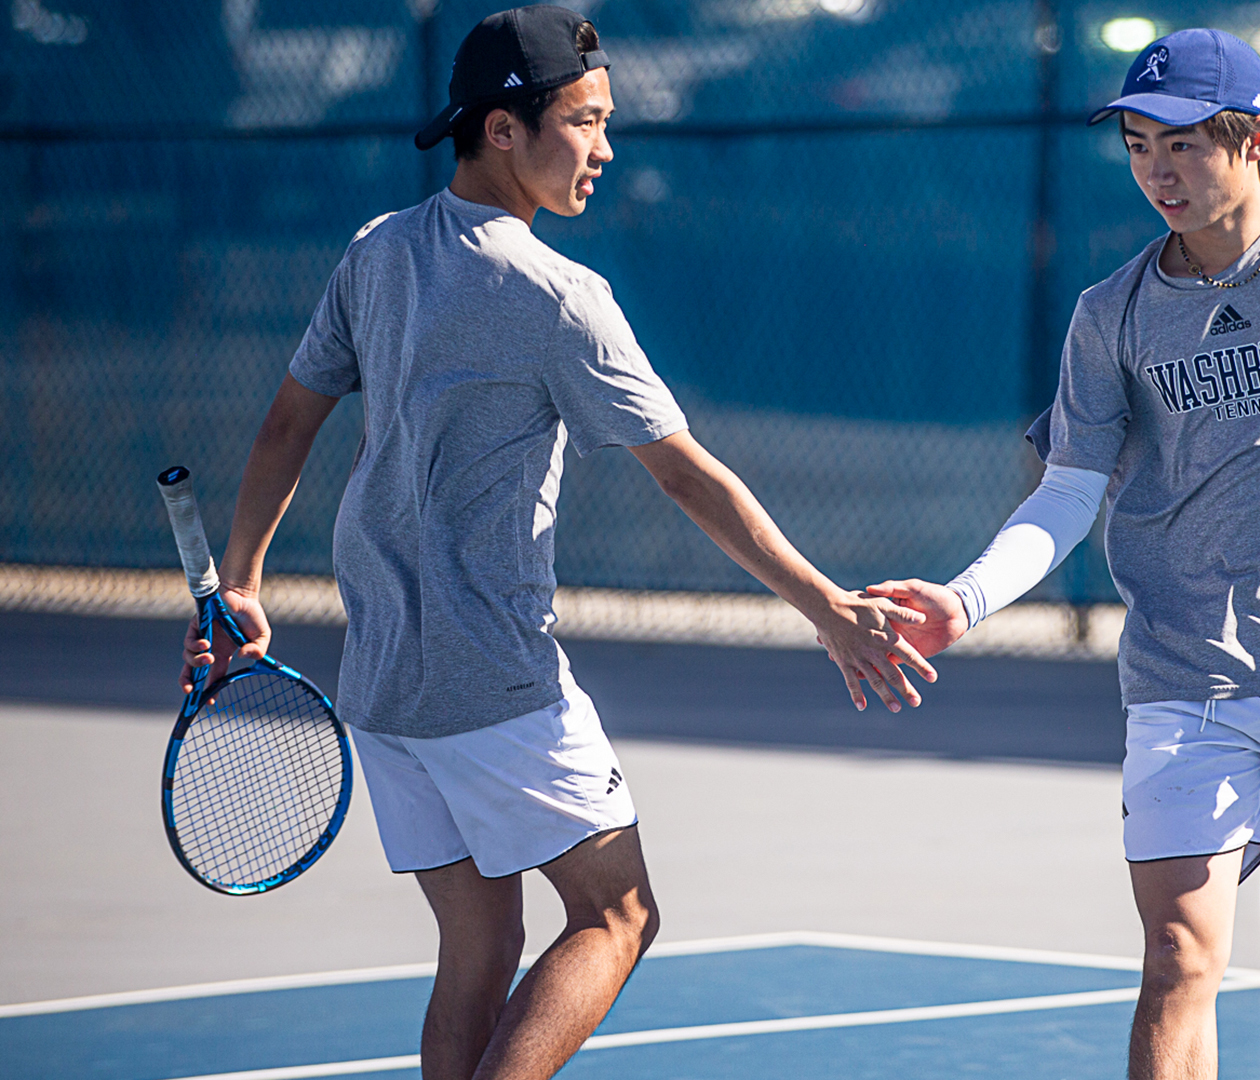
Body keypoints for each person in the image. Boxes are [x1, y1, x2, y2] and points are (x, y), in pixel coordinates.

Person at [177, 7, 935, 1079]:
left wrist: (246, 580)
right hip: (497, 679)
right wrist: (828, 607)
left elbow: (285, 425)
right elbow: (685, 474)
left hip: (383, 687)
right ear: (502, 129)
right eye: (584, 122)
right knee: (618, 915)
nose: (605, 148)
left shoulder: (375, 252)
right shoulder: (562, 298)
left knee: (478, 951)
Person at [866, 28, 1260, 1080]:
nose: (1157, 171)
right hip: (1183, 682)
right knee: (1176, 959)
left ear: (1254, 139)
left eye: (1182, 145)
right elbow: (1067, 492)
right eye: (1138, 147)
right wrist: (965, 601)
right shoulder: (1109, 316)